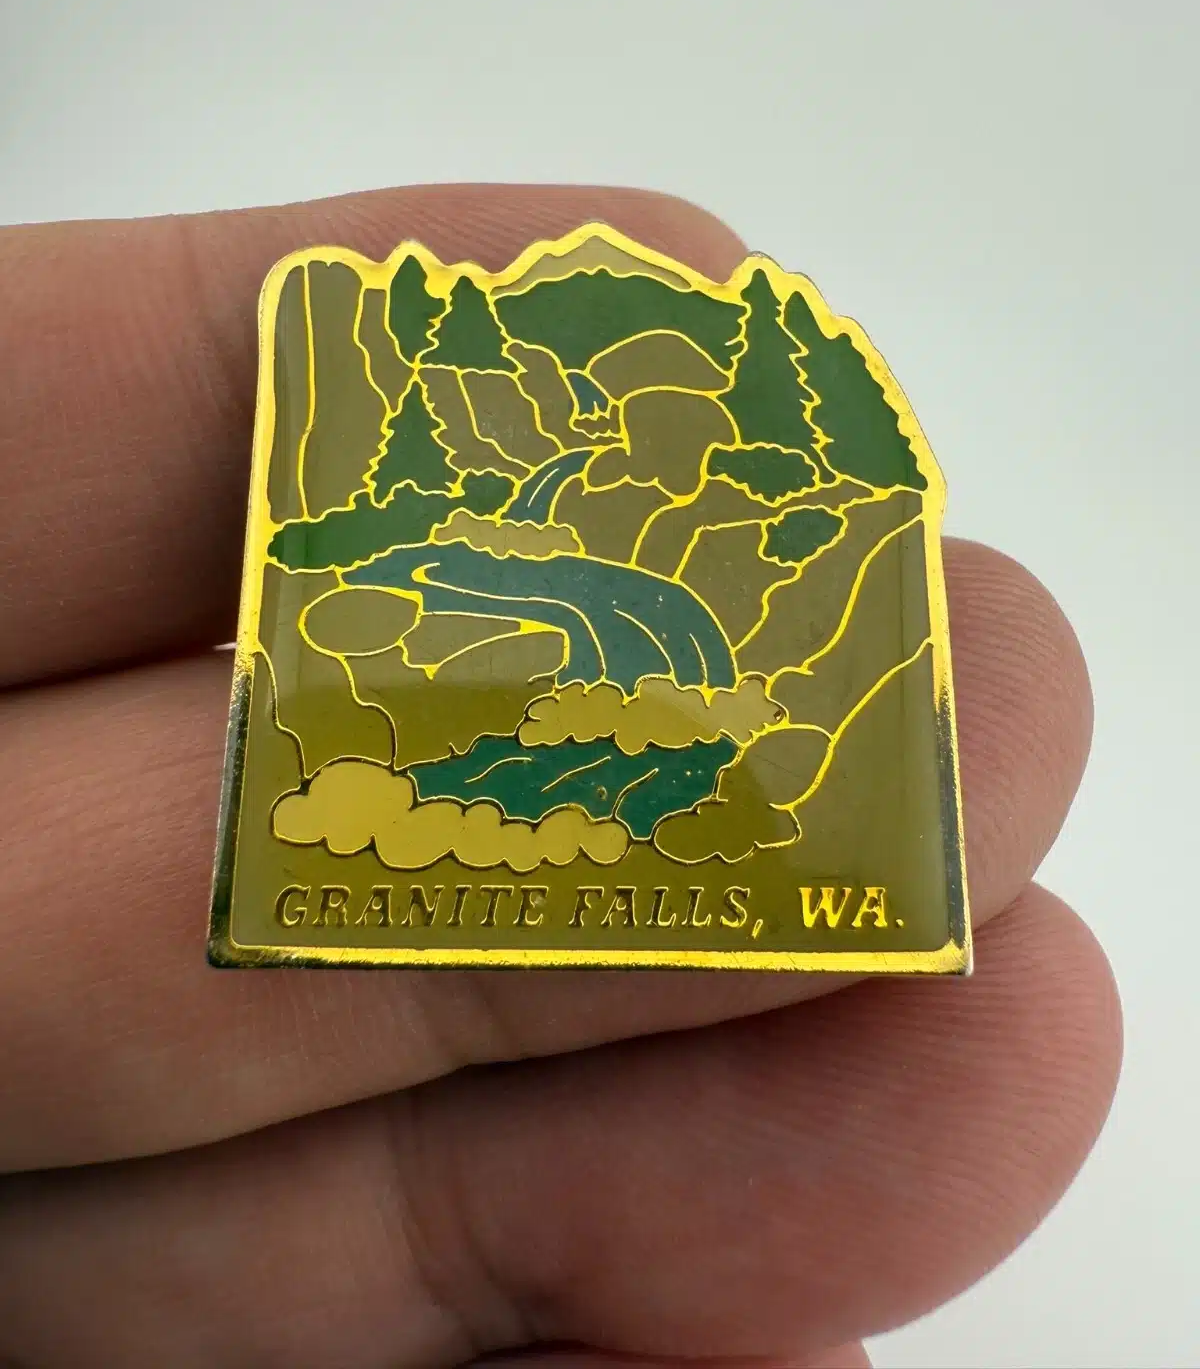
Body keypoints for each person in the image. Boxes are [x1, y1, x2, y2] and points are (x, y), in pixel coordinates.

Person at [0, 184, 1122, 1368]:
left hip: (691, 738)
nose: (659, 437)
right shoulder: (577, 493)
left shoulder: (733, 508)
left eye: (677, 419)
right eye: (645, 417)